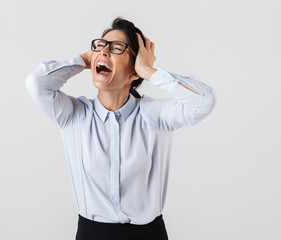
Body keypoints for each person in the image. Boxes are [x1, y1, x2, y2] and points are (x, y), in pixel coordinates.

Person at [26, 17, 215, 240]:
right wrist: (86, 59)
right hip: (92, 234)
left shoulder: (153, 115)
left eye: (116, 48)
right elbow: (36, 83)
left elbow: (204, 101)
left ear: (134, 72)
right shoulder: (74, 115)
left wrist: (150, 71)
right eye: (100, 45)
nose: (104, 51)